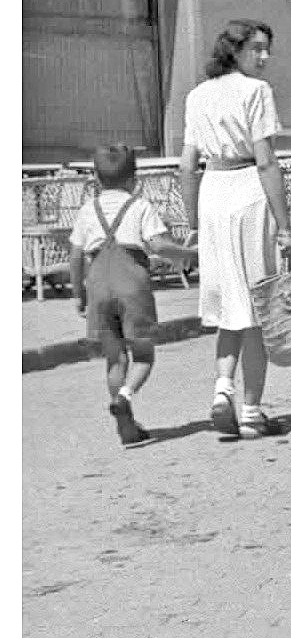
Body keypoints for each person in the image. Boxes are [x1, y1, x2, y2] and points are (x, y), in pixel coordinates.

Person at [177, 19, 291, 441]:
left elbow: (186, 165)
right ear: (235, 50)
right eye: (257, 49)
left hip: (212, 194)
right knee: (258, 305)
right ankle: (251, 410)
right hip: (248, 193)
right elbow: (266, 161)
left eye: (267, 49)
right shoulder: (256, 92)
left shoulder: (197, 96)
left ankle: (222, 387)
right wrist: (285, 227)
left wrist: (193, 222)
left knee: (229, 302)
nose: (264, 57)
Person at [68, 144, 198, 445]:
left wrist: (78, 295)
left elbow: (76, 256)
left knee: (115, 360)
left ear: (97, 181)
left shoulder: (88, 210)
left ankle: (123, 423)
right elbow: (160, 246)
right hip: (132, 286)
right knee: (143, 356)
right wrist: (190, 252)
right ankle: (125, 397)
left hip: (99, 285)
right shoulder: (140, 207)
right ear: (134, 179)